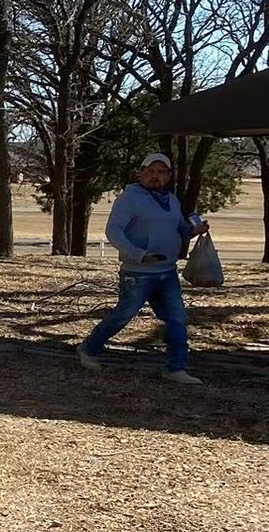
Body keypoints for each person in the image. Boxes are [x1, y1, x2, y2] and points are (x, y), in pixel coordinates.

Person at [78, 152, 210, 384]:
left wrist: (194, 230)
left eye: (161, 172)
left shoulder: (171, 200)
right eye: (150, 171)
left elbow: (180, 228)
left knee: (177, 317)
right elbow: (114, 231)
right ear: (140, 173)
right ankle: (89, 348)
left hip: (167, 271)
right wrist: (139, 255)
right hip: (137, 273)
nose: (155, 176)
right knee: (124, 315)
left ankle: (175, 368)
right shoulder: (129, 199)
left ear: (168, 176)